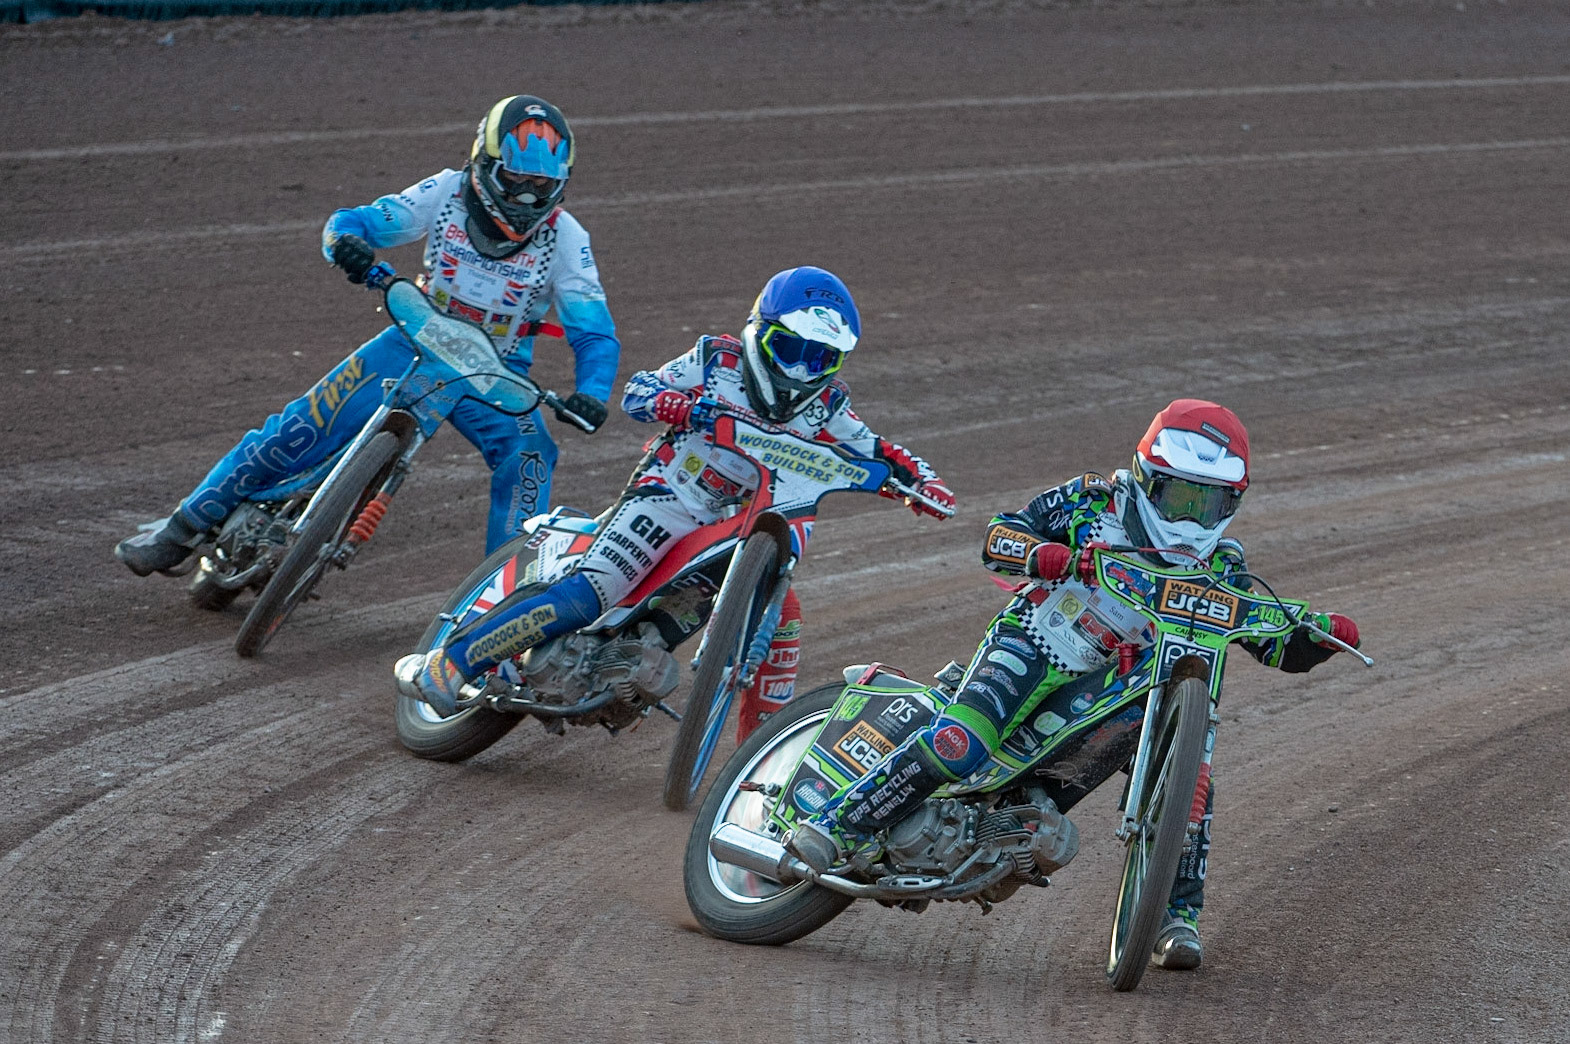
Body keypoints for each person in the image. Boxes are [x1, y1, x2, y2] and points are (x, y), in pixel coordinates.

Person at [785, 399, 1362, 971]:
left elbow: (1269, 638)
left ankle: (1173, 916)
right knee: (963, 741)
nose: (1190, 518)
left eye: (1208, 502)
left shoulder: (1224, 566)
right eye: (1180, 496)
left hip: (1127, 686)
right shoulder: (1093, 501)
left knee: (1193, 787)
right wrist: (1047, 554)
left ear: (1232, 504)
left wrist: (1314, 638)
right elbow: (999, 536)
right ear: (1145, 478)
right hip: (1035, 644)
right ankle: (837, 825)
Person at [396, 265, 955, 739]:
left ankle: (748, 755)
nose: (800, 370)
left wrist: (920, 481)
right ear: (761, 332)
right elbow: (639, 391)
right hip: (667, 496)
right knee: (593, 593)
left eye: (821, 359)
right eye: (790, 349)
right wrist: (680, 406)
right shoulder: (717, 360)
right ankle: (452, 663)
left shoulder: (827, 403)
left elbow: (878, 448)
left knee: (732, 612)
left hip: (735, 524)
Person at [115, 95, 619, 576]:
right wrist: (347, 244)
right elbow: (352, 222)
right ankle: (182, 527)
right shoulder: (445, 192)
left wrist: (593, 393)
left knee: (531, 458)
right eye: (515, 179)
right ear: (484, 166)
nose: (528, 197)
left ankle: (503, 592)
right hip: (415, 339)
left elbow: (595, 334)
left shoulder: (567, 239)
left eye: (541, 184)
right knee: (300, 426)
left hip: (494, 375)